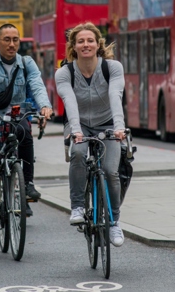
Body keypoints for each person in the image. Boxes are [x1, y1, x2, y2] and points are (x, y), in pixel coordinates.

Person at [0, 23, 53, 235]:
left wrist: (45, 106)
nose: (12, 44)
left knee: (25, 134)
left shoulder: (26, 63)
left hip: (15, 116)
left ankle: (28, 184)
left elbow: (37, 85)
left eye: (15, 39)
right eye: (7, 39)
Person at [55, 23, 126, 247]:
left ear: (98, 44)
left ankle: (114, 222)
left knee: (110, 171)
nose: (86, 45)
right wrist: (75, 130)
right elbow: (69, 102)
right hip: (80, 126)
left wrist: (119, 126)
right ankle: (77, 206)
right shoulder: (64, 72)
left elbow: (116, 95)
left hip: (108, 123)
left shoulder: (112, 68)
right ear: (73, 46)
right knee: (77, 154)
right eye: (81, 41)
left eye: (90, 41)